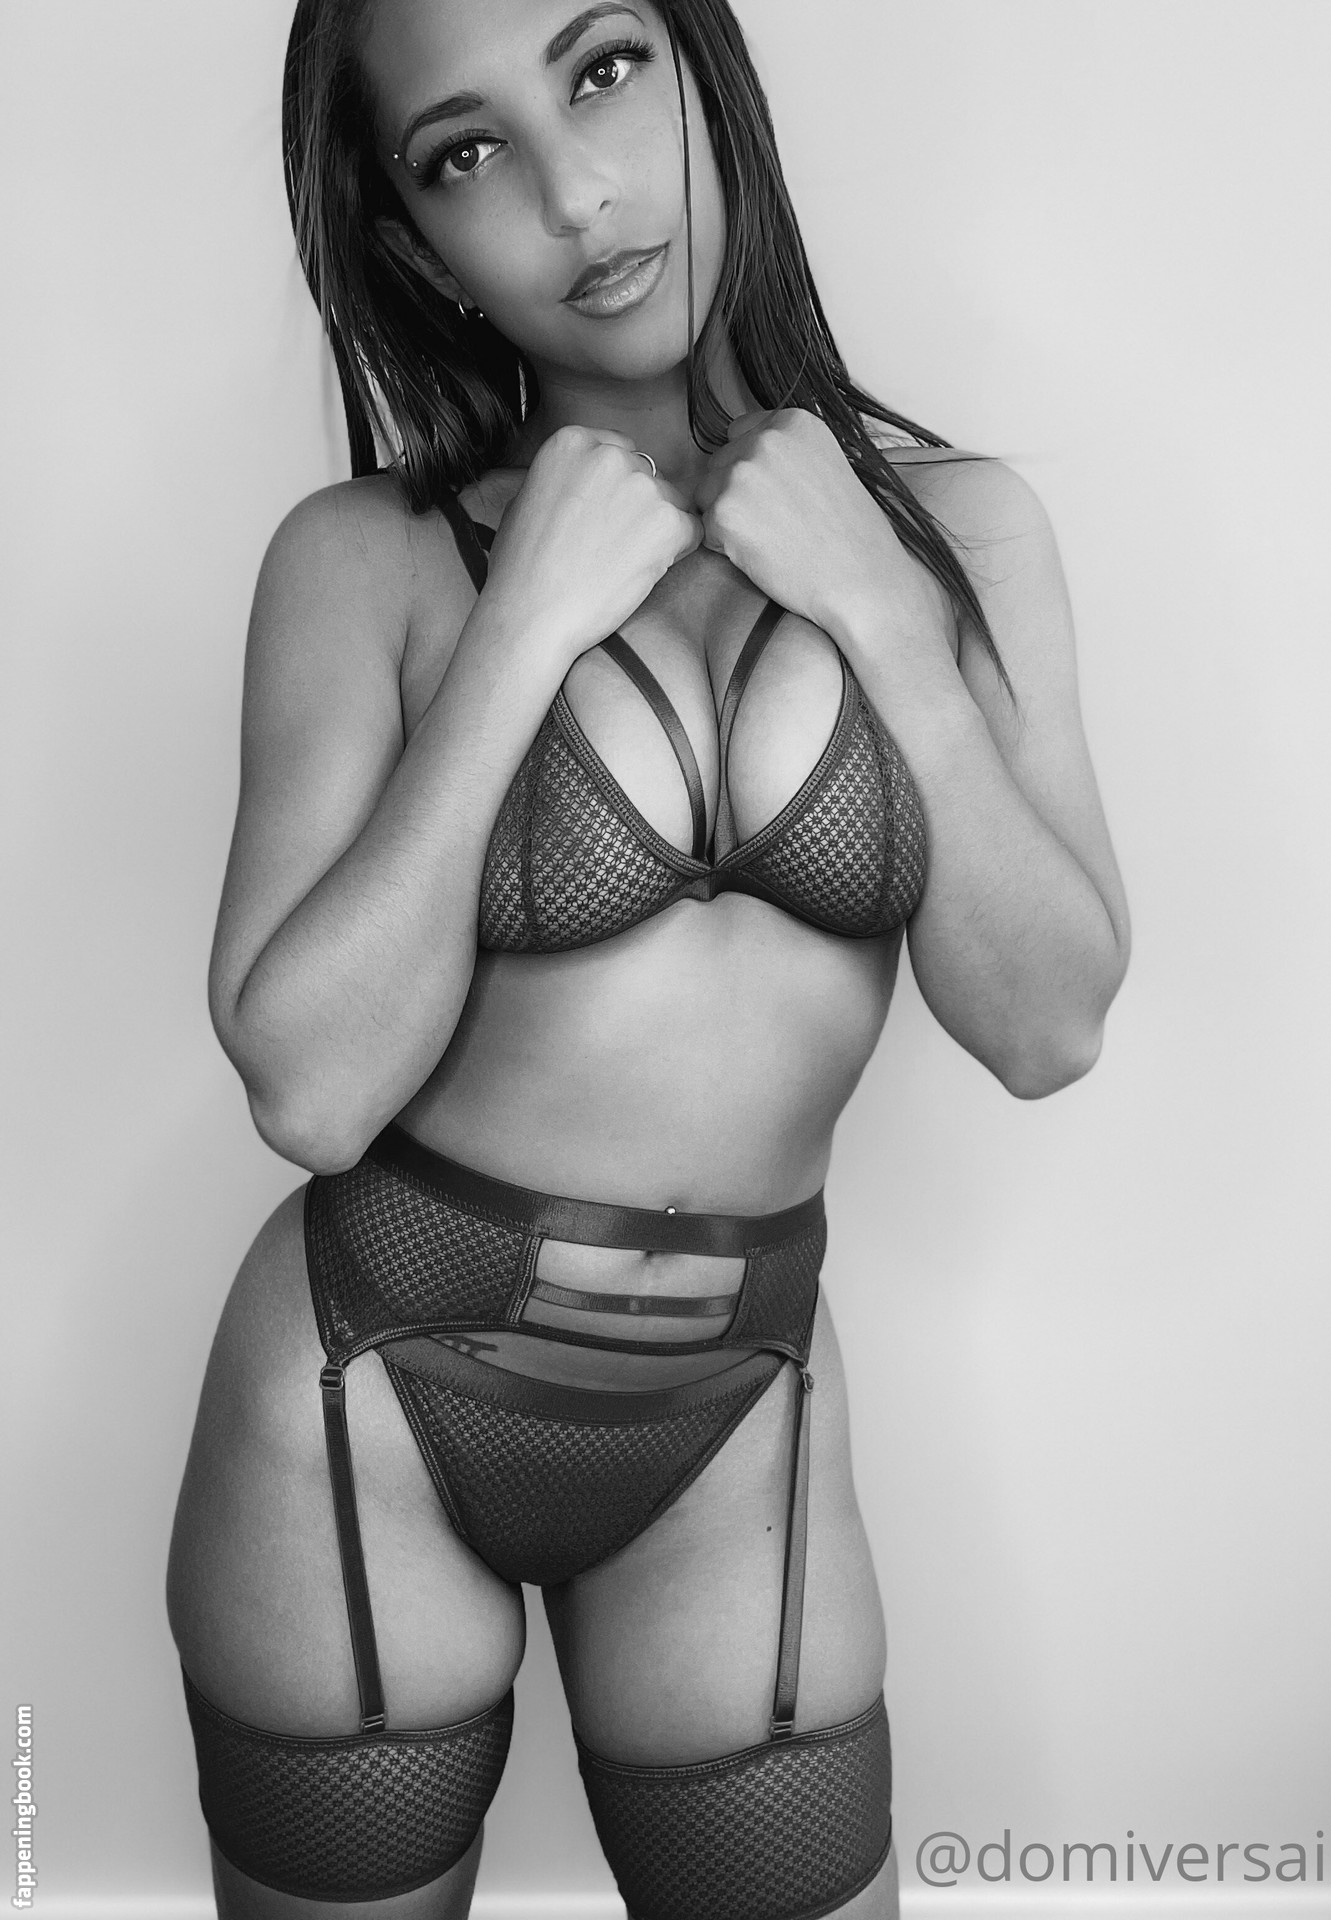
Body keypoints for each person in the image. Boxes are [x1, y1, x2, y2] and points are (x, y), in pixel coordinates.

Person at [166, 0, 1130, 1914]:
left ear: (704, 74)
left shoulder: (965, 538)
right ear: (416, 244)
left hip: (739, 1408)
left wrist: (881, 611)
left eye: (602, 69)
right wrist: (521, 626)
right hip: (370, 1392)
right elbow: (310, 1088)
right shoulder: (364, 563)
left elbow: (1048, 1024)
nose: (574, 192)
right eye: (467, 152)